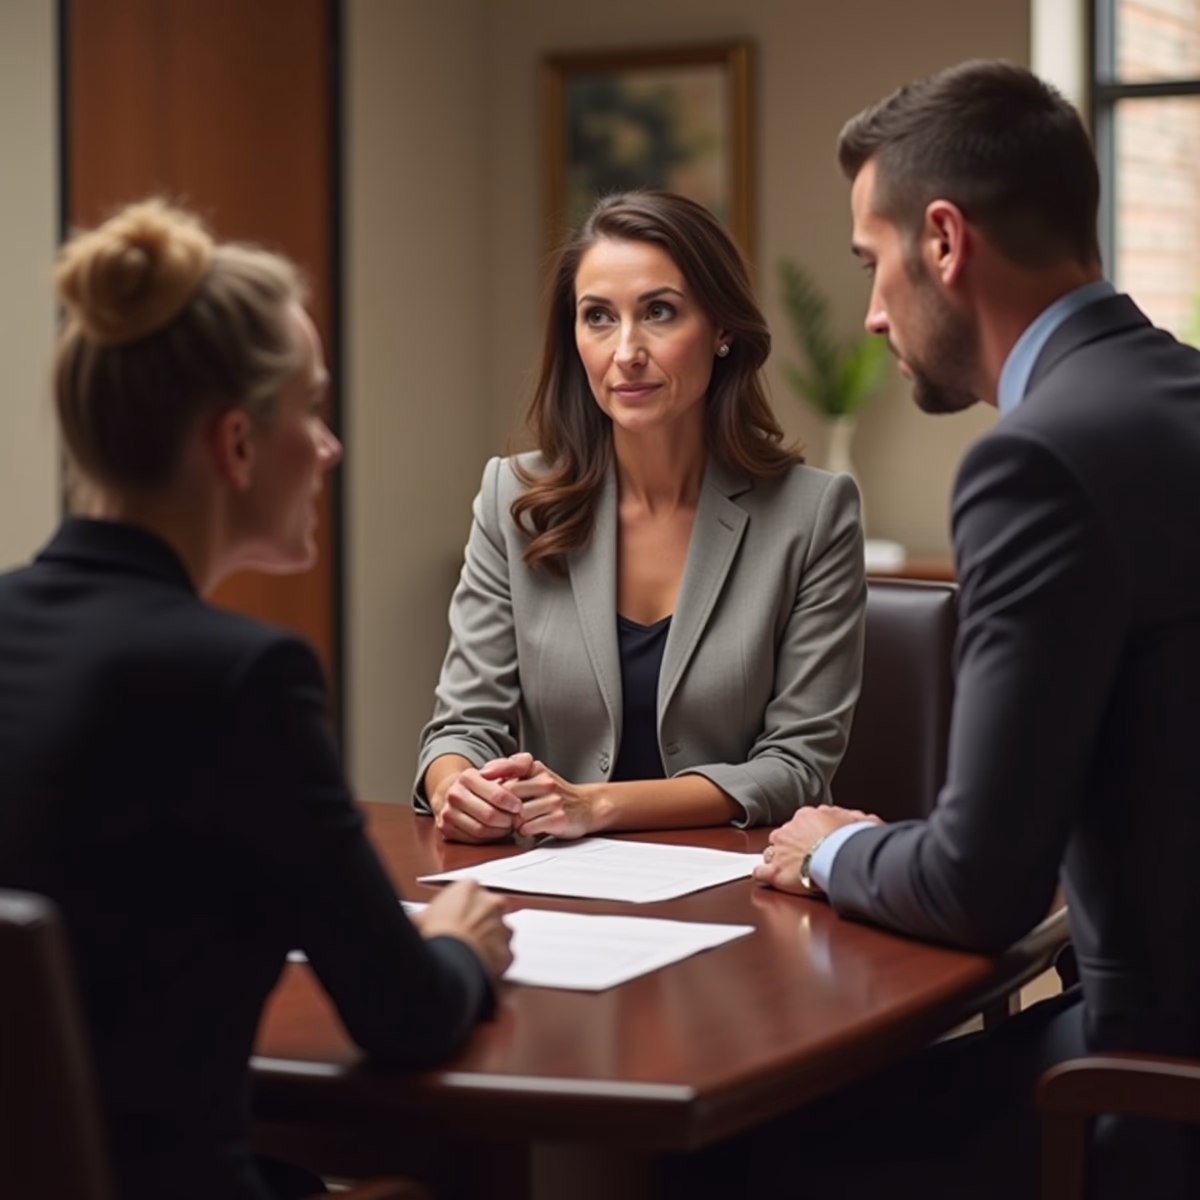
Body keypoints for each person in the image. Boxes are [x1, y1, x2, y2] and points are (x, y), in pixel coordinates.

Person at [747, 60, 1200, 1198]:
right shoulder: (1175, 399)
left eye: (872, 263)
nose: (870, 312)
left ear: (943, 242)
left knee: (730, 1159)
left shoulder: (1037, 463)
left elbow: (978, 887)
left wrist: (830, 849)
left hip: (1142, 1089)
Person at [0, 199, 512, 1200]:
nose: (330, 447)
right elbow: (402, 1016)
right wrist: (458, 949)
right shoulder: (241, 680)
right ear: (235, 446)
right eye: (312, 411)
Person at [415, 190, 866, 844]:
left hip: (739, 890)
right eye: (598, 317)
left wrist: (598, 805)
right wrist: (457, 786)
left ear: (722, 330)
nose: (626, 350)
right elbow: (461, 725)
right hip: (551, 886)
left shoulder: (814, 514)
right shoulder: (512, 499)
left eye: (659, 312)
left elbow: (794, 764)